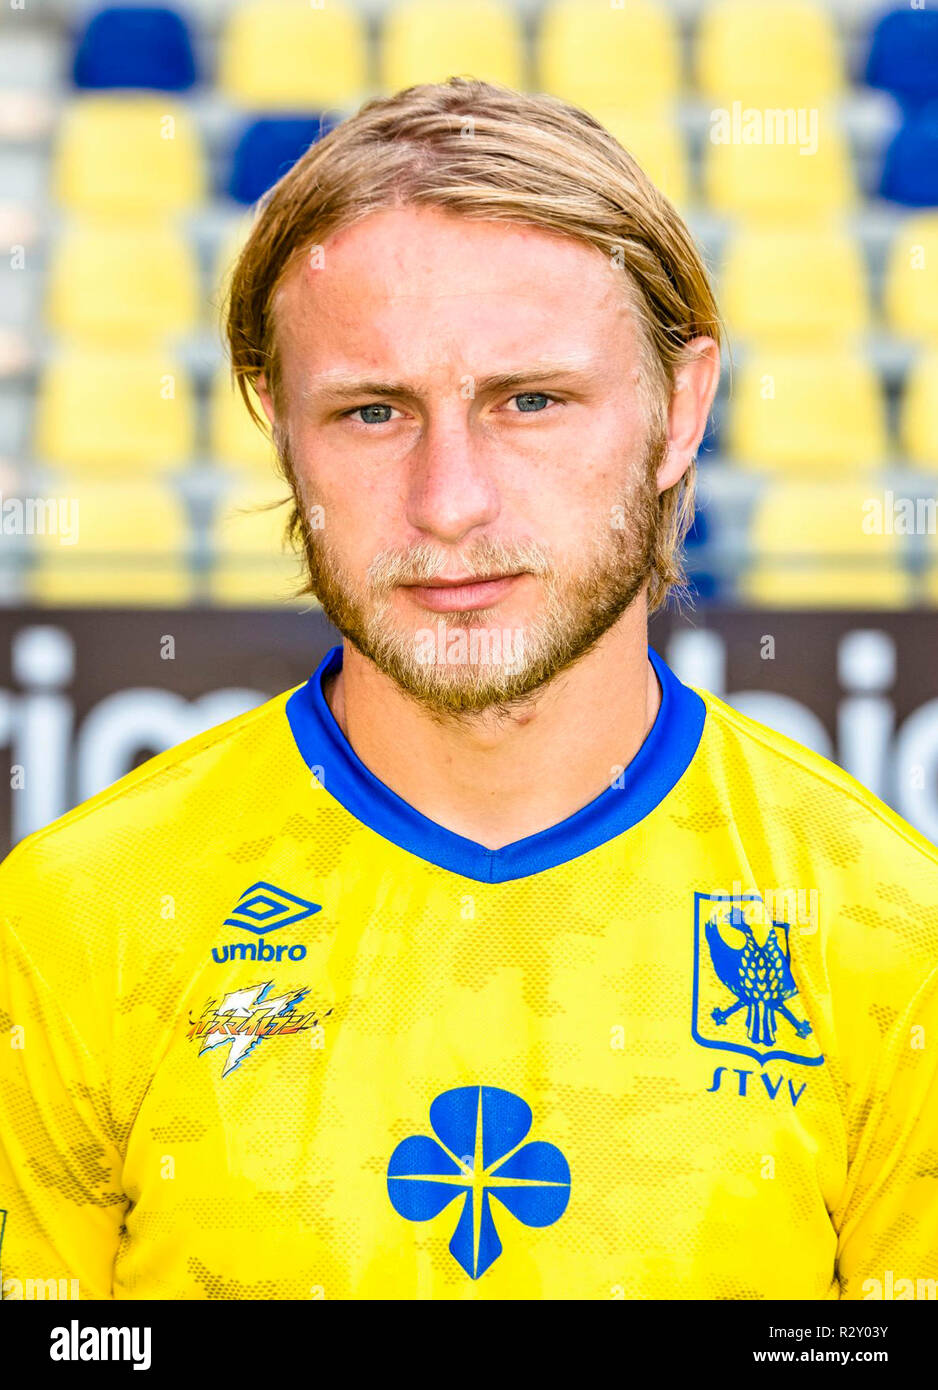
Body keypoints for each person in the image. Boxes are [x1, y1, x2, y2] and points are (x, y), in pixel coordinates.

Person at [1, 79, 935, 1301]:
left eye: (530, 401)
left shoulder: (890, 933)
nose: (450, 501)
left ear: (679, 407)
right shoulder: (68, 921)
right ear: (278, 423)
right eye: (373, 410)